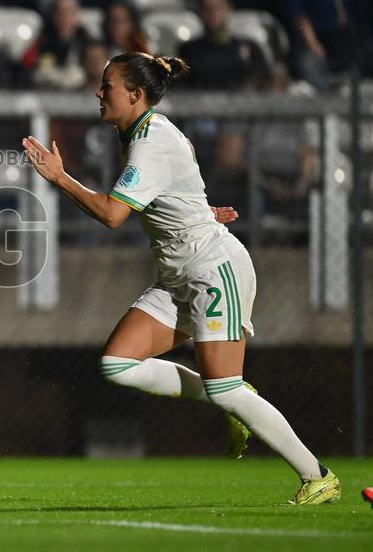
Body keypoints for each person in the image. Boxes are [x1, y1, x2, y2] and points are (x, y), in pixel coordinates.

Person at [21, 52, 340, 506]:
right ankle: (229, 397)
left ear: (134, 95)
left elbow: (113, 215)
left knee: (224, 387)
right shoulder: (137, 130)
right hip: (178, 273)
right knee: (117, 365)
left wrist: (60, 177)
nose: (98, 91)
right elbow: (177, 188)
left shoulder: (150, 141)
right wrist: (199, 212)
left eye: (107, 85)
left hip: (212, 269)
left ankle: (318, 476)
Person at [21, 0, 91, 90]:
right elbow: (30, 68)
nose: (65, 17)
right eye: (61, 12)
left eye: (70, 12)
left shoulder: (87, 42)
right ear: (54, 16)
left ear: (77, 15)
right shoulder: (41, 40)